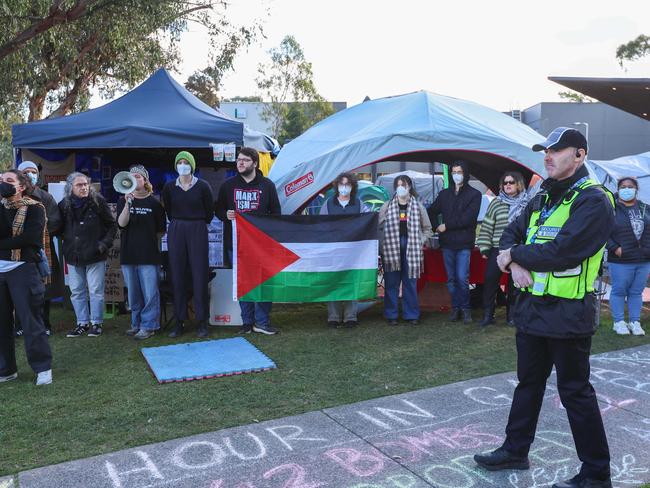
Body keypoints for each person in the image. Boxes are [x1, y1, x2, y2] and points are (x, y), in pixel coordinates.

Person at [473, 127, 614, 488]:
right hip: (533, 308)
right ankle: (515, 451)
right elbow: (510, 232)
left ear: (579, 155)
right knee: (528, 384)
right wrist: (513, 259)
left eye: (556, 150)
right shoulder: (543, 196)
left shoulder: (593, 199)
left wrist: (514, 256)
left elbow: (563, 251)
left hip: (569, 313)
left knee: (575, 393)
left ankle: (596, 473)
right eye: (545, 151)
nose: (547, 156)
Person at [215, 147, 281, 335]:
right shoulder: (228, 186)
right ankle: (247, 322)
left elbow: (276, 214)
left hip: (261, 245)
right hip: (236, 245)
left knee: (263, 283)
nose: (240, 163)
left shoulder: (267, 185)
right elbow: (218, 210)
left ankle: (262, 322)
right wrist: (225, 214)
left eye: (244, 160)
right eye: (238, 160)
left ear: (254, 163)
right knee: (244, 283)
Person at [0, 169, 52, 385]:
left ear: (21, 186)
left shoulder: (34, 208)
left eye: (8, 181)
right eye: (0, 181)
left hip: (23, 268)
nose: (3, 184)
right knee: (2, 323)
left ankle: (43, 368)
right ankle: (6, 369)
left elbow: (30, 239)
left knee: (30, 321)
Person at [162, 151, 214, 338]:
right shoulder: (169, 187)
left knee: (200, 274)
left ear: (192, 165)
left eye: (186, 162)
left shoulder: (203, 186)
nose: (182, 165)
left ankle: (202, 321)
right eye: (180, 162)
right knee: (177, 274)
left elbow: (209, 211)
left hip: (197, 228)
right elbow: (168, 209)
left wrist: (196, 223)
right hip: (177, 228)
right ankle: (179, 321)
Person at [59, 172, 117, 338]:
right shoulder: (64, 205)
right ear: (70, 188)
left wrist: (103, 245)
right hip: (73, 255)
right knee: (77, 291)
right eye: (79, 185)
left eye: (85, 184)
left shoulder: (98, 202)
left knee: (96, 291)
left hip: (95, 254)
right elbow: (58, 227)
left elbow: (112, 226)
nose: (84, 187)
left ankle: (96, 323)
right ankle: (82, 323)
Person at [116, 165, 167, 340]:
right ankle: (135, 323)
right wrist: (128, 204)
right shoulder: (123, 201)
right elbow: (122, 224)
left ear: (145, 180)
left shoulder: (154, 203)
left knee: (150, 292)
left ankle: (149, 325)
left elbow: (161, 230)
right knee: (133, 292)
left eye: (138, 176)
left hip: (148, 255)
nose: (135, 179)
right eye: (132, 177)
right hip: (129, 254)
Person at [428, 161, 481, 323]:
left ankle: (466, 309)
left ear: (465, 173)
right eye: (454, 172)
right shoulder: (445, 194)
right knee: (451, 279)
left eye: (460, 171)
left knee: (462, 278)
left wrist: (446, 225)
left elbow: (468, 219)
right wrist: (436, 226)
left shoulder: (475, 194)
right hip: (447, 244)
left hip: (464, 243)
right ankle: (455, 308)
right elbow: (431, 211)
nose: (457, 175)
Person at [476, 171, 528, 327]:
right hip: (497, 249)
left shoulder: (527, 204)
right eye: (505, 183)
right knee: (490, 281)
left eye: (511, 182)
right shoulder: (496, 202)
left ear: (518, 184)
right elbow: (487, 225)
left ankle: (511, 316)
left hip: (518, 249)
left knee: (515, 284)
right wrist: (485, 249)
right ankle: (488, 315)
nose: (507, 185)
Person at [378, 175, 432, 326]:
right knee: (391, 283)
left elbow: (428, 229)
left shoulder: (418, 206)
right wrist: (382, 244)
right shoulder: (386, 206)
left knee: (410, 283)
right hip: (391, 248)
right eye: (398, 185)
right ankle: (391, 315)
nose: (401, 187)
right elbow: (378, 227)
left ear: (410, 187)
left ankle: (411, 315)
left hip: (412, 248)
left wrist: (420, 240)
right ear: (395, 188)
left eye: (404, 184)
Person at [17, 161, 62, 336]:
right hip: (17, 250)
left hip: (42, 249)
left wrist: (35, 235)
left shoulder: (45, 197)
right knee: (19, 287)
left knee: (44, 287)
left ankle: (45, 324)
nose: (30, 175)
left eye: (33, 171)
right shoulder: (12, 196)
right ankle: (20, 325)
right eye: (26, 172)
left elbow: (56, 221)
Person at [320, 172, 367, 328]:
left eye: (347, 184)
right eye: (342, 184)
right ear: (337, 186)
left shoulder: (359, 204)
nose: (344, 187)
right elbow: (321, 225)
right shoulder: (328, 204)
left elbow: (368, 220)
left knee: (350, 281)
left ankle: (350, 317)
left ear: (352, 187)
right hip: (333, 250)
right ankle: (333, 316)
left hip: (353, 251)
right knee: (333, 281)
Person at [607, 177, 650, 336]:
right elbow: (603, 232)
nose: (627, 189)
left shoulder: (646, 208)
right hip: (621, 260)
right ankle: (618, 322)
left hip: (643, 259)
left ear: (636, 189)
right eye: (623, 187)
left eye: (630, 186)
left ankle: (634, 322)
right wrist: (615, 248)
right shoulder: (611, 208)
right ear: (618, 189)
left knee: (636, 292)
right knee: (619, 291)